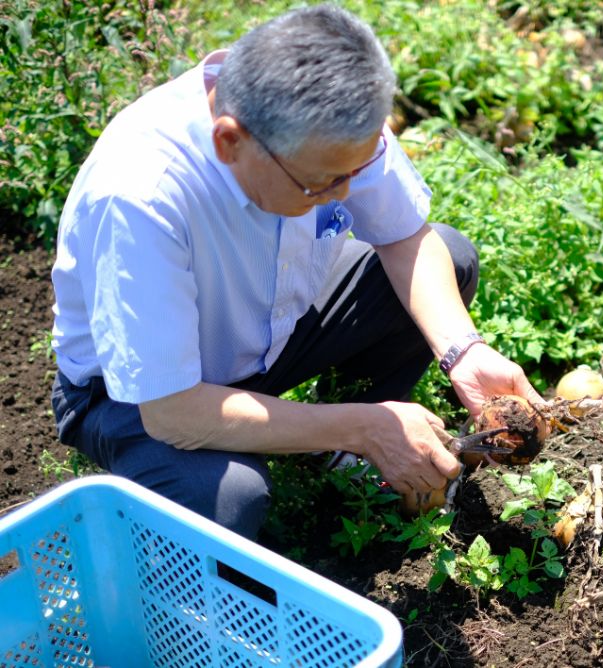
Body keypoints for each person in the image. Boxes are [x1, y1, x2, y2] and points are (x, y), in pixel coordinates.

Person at [49, 4, 542, 540]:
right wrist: (363, 426)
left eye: (355, 171)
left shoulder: (328, 109)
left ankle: (335, 442)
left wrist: (462, 349)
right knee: (228, 499)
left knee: (450, 256)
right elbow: (171, 411)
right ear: (230, 141)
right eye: (322, 184)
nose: (346, 194)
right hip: (140, 398)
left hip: (272, 331)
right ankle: (346, 434)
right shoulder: (139, 198)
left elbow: (404, 236)